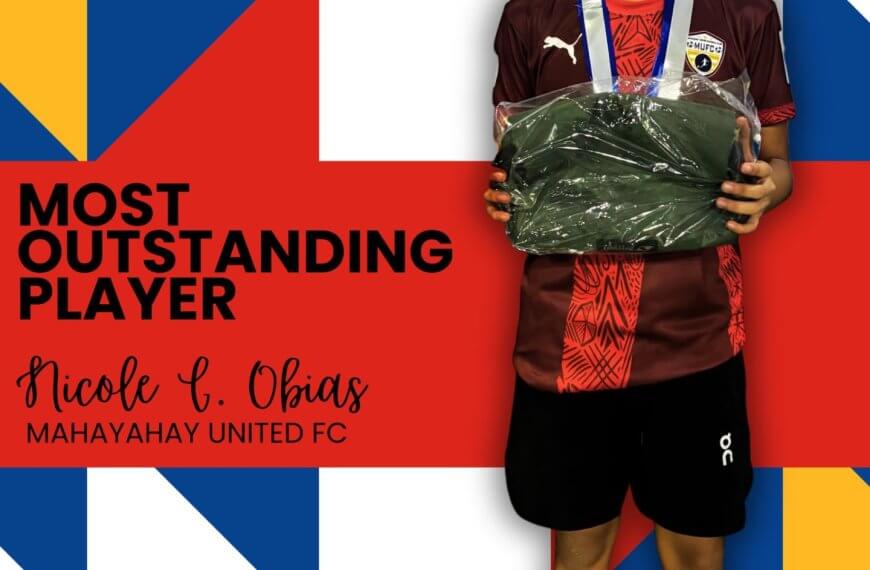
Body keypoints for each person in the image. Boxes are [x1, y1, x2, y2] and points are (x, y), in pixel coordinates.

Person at [485, 1, 795, 569]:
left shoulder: (743, 12)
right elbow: (517, 158)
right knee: (580, 552)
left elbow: (777, 164)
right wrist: (506, 196)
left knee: (696, 550)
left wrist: (765, 190)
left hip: (696, 338)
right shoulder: (530, 15)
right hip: (568, 342)